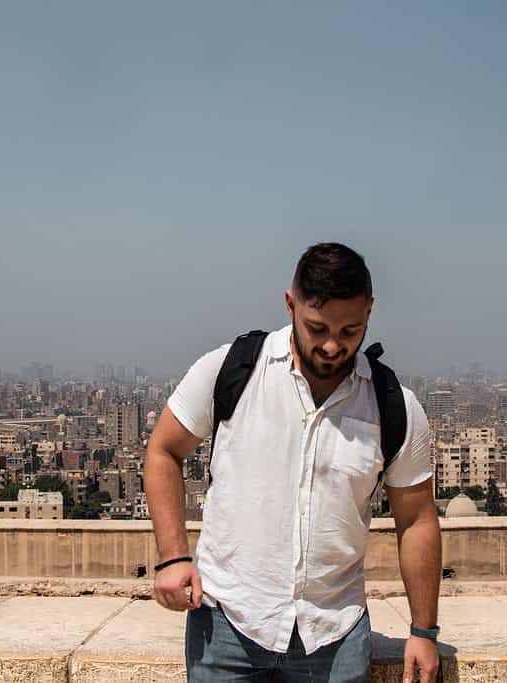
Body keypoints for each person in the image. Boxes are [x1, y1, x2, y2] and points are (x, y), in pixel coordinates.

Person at [145, 242, 441, 682]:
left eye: (349, 331)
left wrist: (423, 630)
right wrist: (172, 557)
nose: (331, 346)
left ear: (370, 313)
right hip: (227, 624)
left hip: (333, 635)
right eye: (316, 327)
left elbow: (416, 519)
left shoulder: (392, 405)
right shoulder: (231, 370)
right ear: (290, 305)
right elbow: (163, 451)